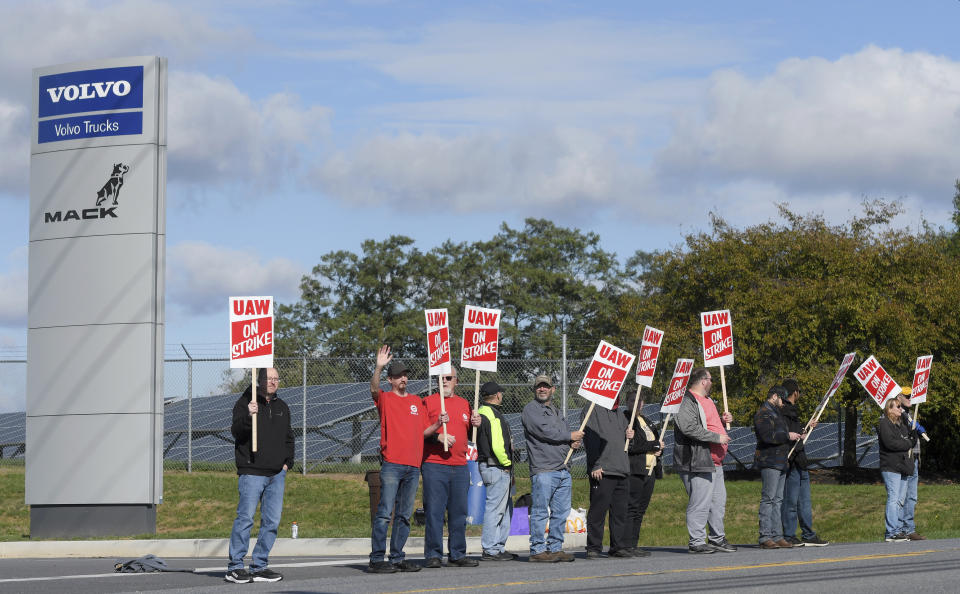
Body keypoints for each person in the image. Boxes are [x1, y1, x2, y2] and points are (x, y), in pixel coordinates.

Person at [369, 346, 448, 574]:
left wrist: (438, 423)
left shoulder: (416, 401)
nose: (403, 378)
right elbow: (374, 389)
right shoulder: (385, 399)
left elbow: (423, 432)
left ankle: (397, 558)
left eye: (405, 375)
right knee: (385, 513)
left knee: (404, 515)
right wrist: (379, 367)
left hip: (413, 466)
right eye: (398, 375)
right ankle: (376, 559)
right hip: (392, 463)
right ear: (391, 380)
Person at [226, 367, 295, 584]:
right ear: (260, 380)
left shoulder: (282, 407)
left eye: (276, 378)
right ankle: (235, 566)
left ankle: (259, 565)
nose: (273, 382)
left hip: (276, 473)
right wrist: (249, 415)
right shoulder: (245, 402)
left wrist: (286, 463)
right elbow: (236, 431)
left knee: (272, 521)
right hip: (252, 471)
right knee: (245, 518)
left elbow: (289, 437)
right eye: (269, 378)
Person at [421, 365, 482, 568]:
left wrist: (477, 423)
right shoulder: (428, 402)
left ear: (456, 380)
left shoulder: (465, 404)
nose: (445, 381)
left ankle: (457, 553)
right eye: (441, 378)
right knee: (434, 512)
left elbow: (472, 434)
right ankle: (433, 554)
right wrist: (437, 435)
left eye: (448, 378)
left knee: (459, 513)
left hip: (460, 465)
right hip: (435, 465)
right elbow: (419, 433)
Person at [673, 367, 736, 554]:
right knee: (699, 502)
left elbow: (709, 423)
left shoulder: (708, 401)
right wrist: (717, 438)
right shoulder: (686, 401)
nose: (712, 383)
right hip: (696, 460)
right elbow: (688, 427)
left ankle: (717, 538)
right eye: (711, 379)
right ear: (703, 380)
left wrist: (724, 422)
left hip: (715, 462)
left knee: (717, 503)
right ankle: (697, 541)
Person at [521, 374, 583, 563]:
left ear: (552, 389)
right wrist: (569, 436)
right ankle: (537, 549)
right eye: (539, 386)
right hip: (544, 469)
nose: (542, 389)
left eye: (545, 386)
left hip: (563, 469)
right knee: (540, 511)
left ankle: (555, 547)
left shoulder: (556, 411)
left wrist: (572, 445)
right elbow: (545, 432)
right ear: (535, 389)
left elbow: (562, 436)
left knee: (561, 512)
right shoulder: (530, 410)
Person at [584, 396, 635, 559]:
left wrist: (630, 437)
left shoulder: (619, 414)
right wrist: (595, 464)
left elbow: (626, 444)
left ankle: (618, 546)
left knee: (620, 512)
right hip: (603, 470)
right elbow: (590, 438)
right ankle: (594, 546)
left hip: (621, 469)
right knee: (598, 511)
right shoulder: (593, 409)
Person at [780, 378, 829, 547]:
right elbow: (786, 434)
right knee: (791, 501)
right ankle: (788, 534)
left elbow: (797, 435)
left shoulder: (792, 411)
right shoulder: (783, 410)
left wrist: (807, 429)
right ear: (795, 392)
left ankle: (808, 534)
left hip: (800, 460)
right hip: (791, 462)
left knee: (805, 502)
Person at [754, 386, 802, 549]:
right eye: (781, 399)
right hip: (769, 461)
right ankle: (765, 536)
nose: (783, 403)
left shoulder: (777, 413)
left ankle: (777, 535)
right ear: (774, 396)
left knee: (778, 499)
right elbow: (767, 436)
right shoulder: (763, 413)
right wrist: (787, 436)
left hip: (782, 461)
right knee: (768, 499)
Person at [476, 381, 517, 561]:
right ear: (497, 395)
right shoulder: (492, 415)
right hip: (497, 466)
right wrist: (507, 463)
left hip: (493, 467)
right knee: (495, 509)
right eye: (501, 393)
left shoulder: (483, 412)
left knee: (505, 509)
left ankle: (498, 546)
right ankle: (491, 549)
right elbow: (498, 444)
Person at [624, 394, 663, 556]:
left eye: (640, 400)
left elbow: (657, 442)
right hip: (636, 469)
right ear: (627, 402)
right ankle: (626, 544)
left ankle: (634, 543)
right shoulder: (627, 419)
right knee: (632, 507)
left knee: (641, 509)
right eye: (633, 400)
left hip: (650, 469)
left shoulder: (646, 420)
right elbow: (632, 446)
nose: (637, 403)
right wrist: (654, 445)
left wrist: (659, 448)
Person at [878, 396, 919, 542]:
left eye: (900, 407)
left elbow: (907, 439)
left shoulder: (900, 424)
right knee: (893, 499)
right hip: (890, 466)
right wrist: (908, 443)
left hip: (902, 466)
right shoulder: (884, 423)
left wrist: (912, 438)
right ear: (889, 409)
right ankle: (891, 532)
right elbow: (891, 444)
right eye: (897, 407)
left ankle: (898, 530)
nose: (900, 409)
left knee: (900, 500)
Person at [896, 388, 927, 541]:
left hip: (914, 458)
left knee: (912, 497)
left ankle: (909, 529)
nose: (909, 398)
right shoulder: (897, 413)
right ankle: (899, 529)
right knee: (901, 496)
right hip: (904, 458)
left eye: (911, 395)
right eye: (906, 396)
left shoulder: (909, 414)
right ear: (898, 397)